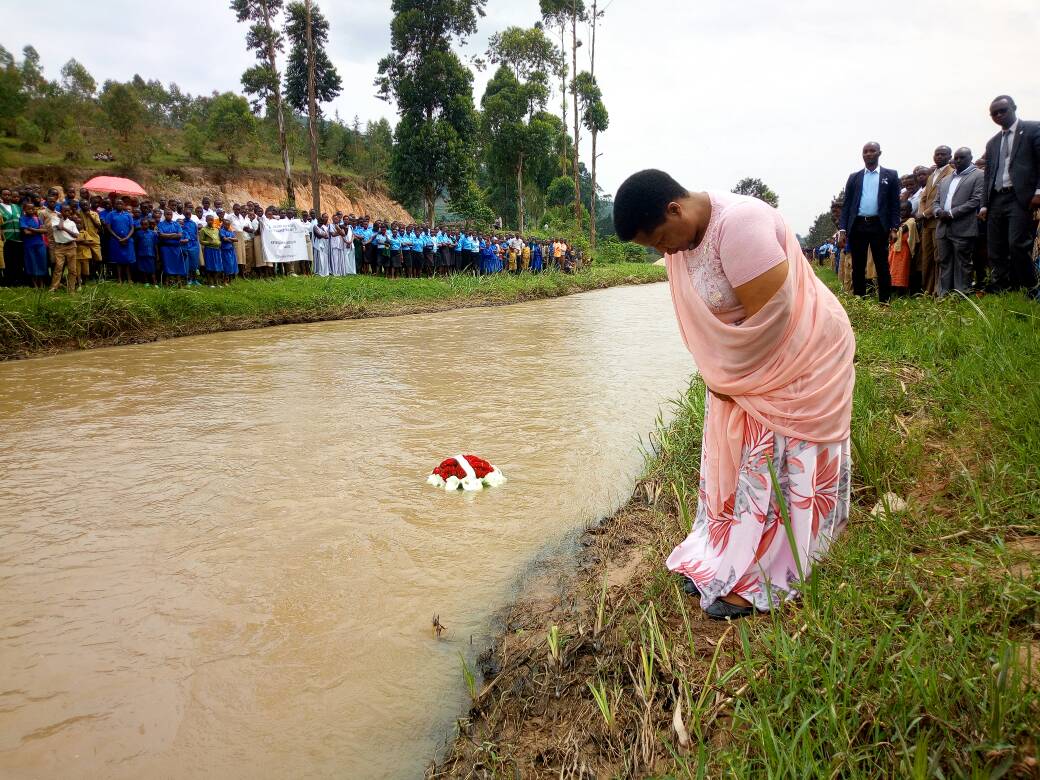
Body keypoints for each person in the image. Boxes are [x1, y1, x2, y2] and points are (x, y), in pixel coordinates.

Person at [613, 169, 854, 620]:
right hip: (744, 365)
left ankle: (771, 567)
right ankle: (727, 552)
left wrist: (731, 380)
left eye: (662, 240)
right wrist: (723, 379)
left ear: (675, 209)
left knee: (775, 455)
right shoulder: (684, 240)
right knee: (740, 453)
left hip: (802, 353)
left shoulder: (740, 225)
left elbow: (777, 321)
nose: (665, 253)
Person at [980, 95, 1040, 293]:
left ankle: (1031, 286)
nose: (998, 115)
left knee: (1017, 244)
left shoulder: (1032, 129)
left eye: (1002, 110)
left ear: (1014, 107)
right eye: (994, 113)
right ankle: (1003, 288)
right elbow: (988, 175)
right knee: (995, 248)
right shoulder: (992, 142)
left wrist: (1038, 192)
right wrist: (984, 204)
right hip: (996, 198)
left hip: (1020, 197)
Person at [838, 142, 901, 303]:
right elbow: (847, 206)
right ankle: (860, 299)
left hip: (879, 226)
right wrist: (843, 230)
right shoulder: (854, 177)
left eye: (872, 151)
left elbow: (895, 204)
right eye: (865, 151)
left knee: (881, 264)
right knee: (858, 265)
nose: (868, 154)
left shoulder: (891, 175)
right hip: (858, 225)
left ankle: (884, 301)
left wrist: (894, 228)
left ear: (879, 153)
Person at [934, 147, 985, 298]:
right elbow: (936, 201)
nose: (957, 161)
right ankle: (944, 295)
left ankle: (961, 296)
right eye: (955, 158)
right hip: (943, 226)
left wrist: (951, 213)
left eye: (961, 157)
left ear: (970, 158)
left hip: (963, 226)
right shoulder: (945, 180)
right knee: (944, 261)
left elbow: (976, 200)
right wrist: (938, 212)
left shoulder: (979, 175)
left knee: (963, 263)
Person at [917, 147, 954, 295]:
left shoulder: (951, 173)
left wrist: (925, 214)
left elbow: (941, 199)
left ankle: (938, 292)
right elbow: (924, 197)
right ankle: (927, 290)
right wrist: (921, 213)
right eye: (936, 154)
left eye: (942, 154)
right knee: (927, 259)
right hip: (926, 224)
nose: (939, 157)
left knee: (939, 258)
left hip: (938, 221)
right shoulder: (932, 176)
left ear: (949, 156)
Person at [48, 204, 80, 293]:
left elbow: (76, 235)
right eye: (65, 211)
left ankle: (71, 289)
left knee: (72, 269)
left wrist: (65, 229)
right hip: (59, 247)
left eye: (69, 210)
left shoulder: (72, 222)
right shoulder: (55, 220)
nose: (68, 212)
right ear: (61, 212)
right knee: (58, 268)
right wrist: (61, 219)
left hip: (71, 246)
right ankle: (54, 287)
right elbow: (59, 227)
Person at [888, 201, 917, 295]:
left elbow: (901, 230)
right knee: (892, 271)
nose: (902, 212)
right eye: (900, 210)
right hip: (893, 250)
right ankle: (893, 290)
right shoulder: (899, 221)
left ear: (910, 210)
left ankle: (901, 292)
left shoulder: (911, 221)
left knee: (902, 271)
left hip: (904, 250)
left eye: (904, 210)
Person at [19, 203, 49, 288]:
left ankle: (42, 282)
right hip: (29, 245)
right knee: (32, 263)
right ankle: (34, 284)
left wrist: (31, 229)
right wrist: (38, 230)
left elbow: (45, 230)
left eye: (33, 209)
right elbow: (26, 232)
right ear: (24, 210)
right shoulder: (22, 219)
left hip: (40, 244)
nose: (31, 211)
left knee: (42, 263)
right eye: (29, 209)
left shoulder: (38, 219)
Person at [107, 199, 136, 283]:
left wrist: (127, 237)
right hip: (116, 240)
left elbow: (132, 228)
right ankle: (119, 279)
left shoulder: (128, 215)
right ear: (114, 205)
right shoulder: (111, 214)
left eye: (121, 203)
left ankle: (129, 279)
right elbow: (108, 227)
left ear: (124, 205)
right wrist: (118, 238)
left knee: (127, 260)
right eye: (117, 203)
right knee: (118, 261)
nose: (119, 205)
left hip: (127, 240)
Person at [156, 210, 186, 285]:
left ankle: (179, 283)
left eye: (170, 214)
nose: (169, 215)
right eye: (167, 214)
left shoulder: (176, 224)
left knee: (177, 265)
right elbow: (161, 235)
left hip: (176, 248)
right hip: (166, 248)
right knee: (167, 265)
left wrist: (167, 235)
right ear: (164, 215)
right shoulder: (160, 224)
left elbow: (179, 235)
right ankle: (167, 283)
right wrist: (174, 234)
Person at [1, 189, 24, 286]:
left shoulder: (17, 207)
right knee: (8, 261)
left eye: (9, 195)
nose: (7, 197)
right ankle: (8, 281)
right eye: (5, 195)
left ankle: (18, 281)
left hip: (19, 239)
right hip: (7, 239)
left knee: (18, 261)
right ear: (1, 196)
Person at [134, 218, 158, 286]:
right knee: (143, 269)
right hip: (141, 253)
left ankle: (154, 282)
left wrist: (157, 255)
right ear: (141, 225)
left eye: (146, 224)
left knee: (152, 269)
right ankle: (146, 282)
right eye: (142, 225)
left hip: (151, 253)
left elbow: (155, 245)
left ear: (148, 225)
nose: (144, 226)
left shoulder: (153, 233)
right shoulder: (138, 233)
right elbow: (136, 244)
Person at [200, 216, 223, 287]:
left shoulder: (216, 229)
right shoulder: (203, 230)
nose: (211, 221)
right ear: (206, 220)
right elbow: (201, 241)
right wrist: (209, 242)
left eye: (212, 220)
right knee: (209, 266)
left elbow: (219, 238)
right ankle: (210, 283)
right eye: (209, 220)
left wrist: (219, 243)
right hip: (209, 250)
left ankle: (216, 283)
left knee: (217, 266)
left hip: (217, 250)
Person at [219, 218, 238, 284]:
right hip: (225, 250)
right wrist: (231, 240)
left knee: (232, 264)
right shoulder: (222, 231)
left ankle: (230, 280)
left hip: (231, 250)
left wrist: (230, 239)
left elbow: (236, 239)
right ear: (223, 224)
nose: (227, 226)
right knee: (227, 264)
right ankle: (224, 280)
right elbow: (224, 239)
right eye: (226, 225)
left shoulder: (230, 231)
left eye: (228, 225)